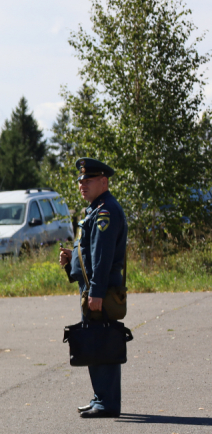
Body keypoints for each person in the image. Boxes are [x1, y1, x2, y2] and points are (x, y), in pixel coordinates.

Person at [59, 157, 128, 418]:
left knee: (103, 342)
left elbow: (103, 255)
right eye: (80, 181)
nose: (82, 185)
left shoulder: (105, 212)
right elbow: (88, 254)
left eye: (88, 181)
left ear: (103, 181)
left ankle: (107, 403)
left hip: (101, 289)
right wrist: (70, 263)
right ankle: (101, 397)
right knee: (95, 341)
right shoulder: (96, 209)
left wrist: (97, 291)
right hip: (93, 288)